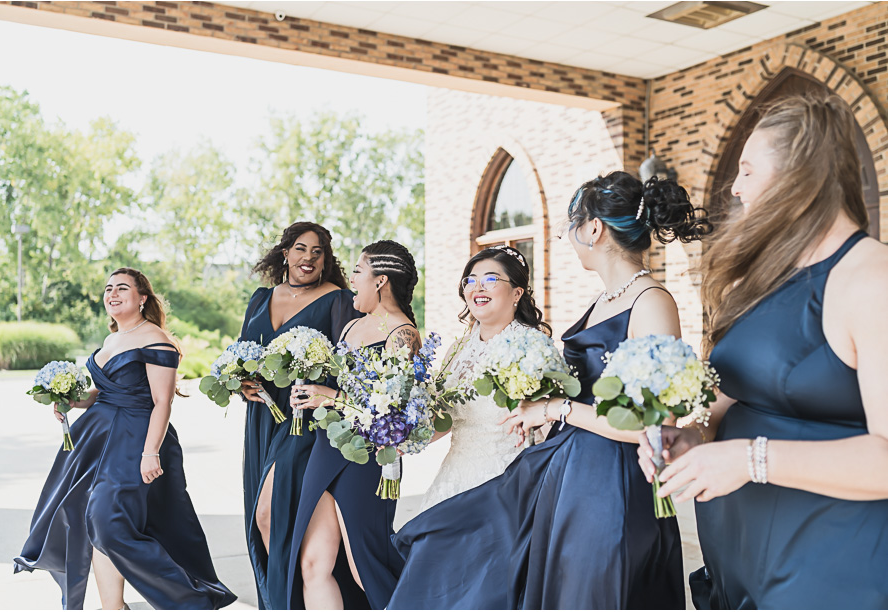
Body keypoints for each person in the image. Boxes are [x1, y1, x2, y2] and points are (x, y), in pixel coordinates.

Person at [390, 171, 711, 609]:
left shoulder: (652, 301)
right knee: (453, 547)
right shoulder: (604, 301)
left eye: (570, 226)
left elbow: (656, 425)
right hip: (569, 472)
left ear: (593, 228)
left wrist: (557, 408)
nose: (567, 236)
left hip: (613, 481)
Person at [638, 94, 888, 609]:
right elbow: (738, 397)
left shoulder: (870, 279)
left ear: (799, 173)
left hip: (829, 573)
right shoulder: (763, 280)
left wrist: (751, 460)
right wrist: (691, 438)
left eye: (748, 170)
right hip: (742, 565)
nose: (735, 187)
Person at [15, 267, 236, 610]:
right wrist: (72, 401)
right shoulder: (112, 338)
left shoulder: (156, 339)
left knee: (109, 522)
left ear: (142, 297)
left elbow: (163, 401)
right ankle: (113, 607)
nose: (112, 294)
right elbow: (103, 392)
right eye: (108, 289)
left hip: (136, 438)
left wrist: (151, 452)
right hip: (97, 438)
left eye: (122, 288)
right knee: (93, 522)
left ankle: (190, 599)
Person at [286, 240, 420, 609]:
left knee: (366, 565)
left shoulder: (402, 334)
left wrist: (328, 397)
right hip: (328, 447)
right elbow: (337, 389)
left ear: (379, 281)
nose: (352, 282)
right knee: (312, 563)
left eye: (358, 272)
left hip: (370, 457)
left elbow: (391, 413)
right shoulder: (350, 329)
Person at [237, 221, 358, 609]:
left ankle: (289, 601)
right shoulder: (260, 299)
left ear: (326, 259)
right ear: (285, 253)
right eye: (301, 249)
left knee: (270, 515)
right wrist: (242, 385)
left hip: (304, 421)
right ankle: (289, 601)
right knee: (267, 522)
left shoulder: (339, 299)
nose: (309, 258)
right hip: (261, 420)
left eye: (318, 251)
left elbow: (349, 365)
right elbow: (244, 354)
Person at [420, 244, 548, 512]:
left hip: (507, 484)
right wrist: (407, 434)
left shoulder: (533, 348)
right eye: (471, 280)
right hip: (453, 481)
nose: (478, 288)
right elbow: (448, 419)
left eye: (490, 279)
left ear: (517, 292)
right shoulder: (458, 349)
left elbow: (550, 426)